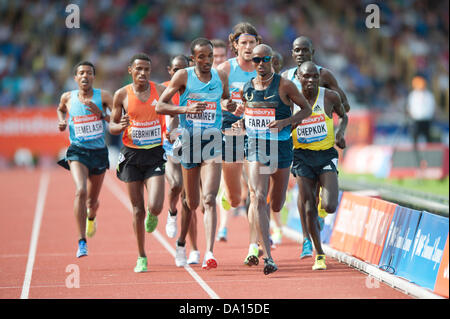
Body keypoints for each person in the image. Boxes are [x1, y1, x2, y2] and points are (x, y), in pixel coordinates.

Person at [156, 38, 236, 269]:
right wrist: (185, 109)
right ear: (193, 59)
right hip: (189, 143)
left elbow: (225, 99)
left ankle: (209, 252)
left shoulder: (220, 76)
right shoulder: (183, 76)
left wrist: (229, 106)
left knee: (209, 199)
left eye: (210, 56)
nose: (207, 61)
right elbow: (160, 106)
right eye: (201, 57)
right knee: (191, 203)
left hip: (213, 142)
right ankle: (183, 243)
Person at [233, 44, 312, 275]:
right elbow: (248, 115)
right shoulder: (247, 88)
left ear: (271, 60)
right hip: (256, 147)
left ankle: (270, 222)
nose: (259, 64)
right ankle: (267, 255)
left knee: (276, 203)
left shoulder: (285, 85)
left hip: (282, 148)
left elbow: (306, 110)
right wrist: (241, 123)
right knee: (257, 196)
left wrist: (286, 122)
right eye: (255, 60)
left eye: (264, 59)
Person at [281, 36, 351, 258]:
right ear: (292, 54)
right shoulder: (285, 78)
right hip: (299, 148)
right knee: (305, 198)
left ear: (313, 52)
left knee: (323, 202)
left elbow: (344, 105)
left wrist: (335, 123)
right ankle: (305, 240)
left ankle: (317, 219)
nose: (301, 54)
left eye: (305, 50)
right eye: (297, 50)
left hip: (324, 146)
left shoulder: (325, 75)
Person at [109, 53, 168, 273]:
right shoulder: (121, 95)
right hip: (132, 156)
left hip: (154, 153)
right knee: (137, 209)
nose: (143, 73)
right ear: (130, 70)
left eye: (147, 69)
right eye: (139, 69)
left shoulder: (160, 91)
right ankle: (141, 255)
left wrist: (173, 129)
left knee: (155, 205)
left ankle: (154, 214)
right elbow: (112, 127)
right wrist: (121, 125)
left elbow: (172, 112)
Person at [291, 61, 347, 270]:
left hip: (325, 155)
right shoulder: (291, 98)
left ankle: (322, 213)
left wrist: (340, 133)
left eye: (315, 76)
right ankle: (319, 254)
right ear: (299, 77)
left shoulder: (330, 97)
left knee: (330, 206)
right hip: (302, 157)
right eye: (306, 77)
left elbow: (344, 116)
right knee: (308, 206)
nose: (311, 80)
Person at [56, 61, 112, 258]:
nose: (85, 76)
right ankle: (81, 242)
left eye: (89, 72)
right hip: (77, 151)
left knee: (92, 200)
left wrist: (100, 114)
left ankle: (91, 216)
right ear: (76, 78)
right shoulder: (68, 97)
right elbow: (61, 108)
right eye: (81, 73)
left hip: (98, 152)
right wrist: (62, 120)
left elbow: (118, 120)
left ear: (93, 77)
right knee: (80, 190)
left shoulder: (103, 96)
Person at [215, 22, 261, 248]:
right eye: (244, 42)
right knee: (234, 199)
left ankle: (255, 245)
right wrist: (229, 105)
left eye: (252, 42)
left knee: (256, 192)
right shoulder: (225, 69)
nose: (248, 46)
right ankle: (228, 194)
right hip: (232, 131)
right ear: (235, 45)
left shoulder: (265, 68)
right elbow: (216, 100)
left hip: (257, 132)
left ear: (258, 43)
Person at [162, 54, 201, 264]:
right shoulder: (162, 89)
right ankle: (171, 212)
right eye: (176, 69)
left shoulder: (196, 88)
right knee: (176, 185)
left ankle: (185, 246)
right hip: (169, 147)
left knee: (191, 200)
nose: (180, 72)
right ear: (170, 70)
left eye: (184, 68)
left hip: (192, 146)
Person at [406, 75, 436, 164]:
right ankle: (416, 160)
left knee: (428, 141)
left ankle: (429, 160)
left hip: (426, 121)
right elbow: (410, 108)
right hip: (416, 121)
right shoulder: (413, 95)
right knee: (415, 141)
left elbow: (431, 108)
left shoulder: (429, 95)